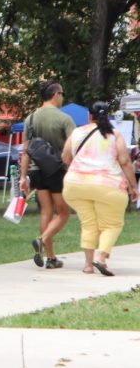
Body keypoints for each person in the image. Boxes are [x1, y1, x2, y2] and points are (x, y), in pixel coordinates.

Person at [61, 101, 138, 277]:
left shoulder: (77, 132)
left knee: (89, 224)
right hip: (108, 185)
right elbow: (125, 162)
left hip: (75, 185)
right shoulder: (114, 135)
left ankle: (88, 265)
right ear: (108, 115)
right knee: (112, 224)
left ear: (89, 116)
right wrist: (134, 186)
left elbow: (65, 157)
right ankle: (101, 258)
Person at [19, 80, 76, 269]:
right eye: (62, 94)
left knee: (46, 211)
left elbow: (26, 151)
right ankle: (42, 240)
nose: (62, 98)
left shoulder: (30, 119)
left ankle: (50, 258)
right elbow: (73, 146)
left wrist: (22, 177)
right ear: (55, 95)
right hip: (57, 171)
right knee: (63, 212)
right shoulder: (64, 119)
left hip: (36, 171)